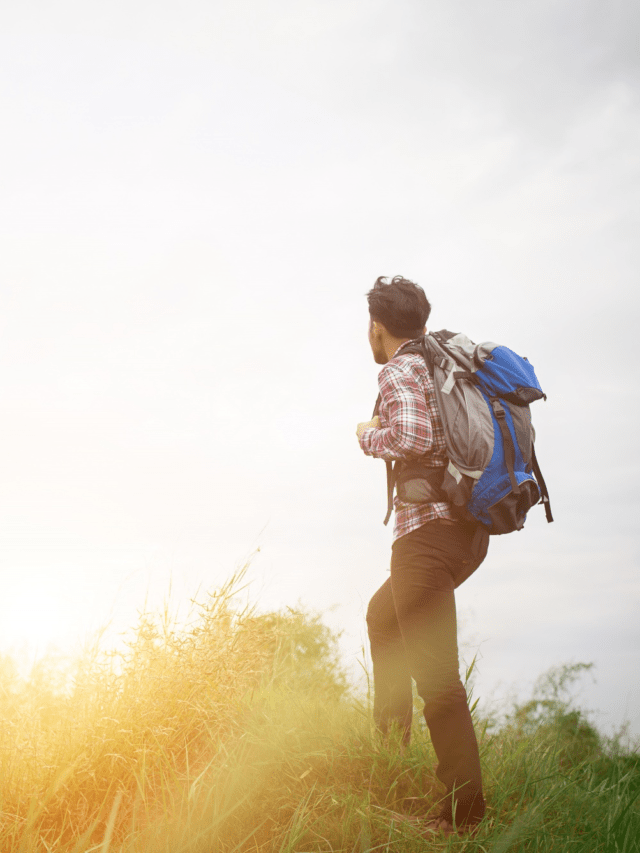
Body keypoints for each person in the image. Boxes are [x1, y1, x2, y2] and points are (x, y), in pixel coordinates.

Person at [356, 275, 487, 835]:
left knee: (438, 680)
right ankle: (389, 749)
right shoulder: (442, 364)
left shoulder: (400, 369)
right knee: (383, 617)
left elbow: (406, 438)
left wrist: (367, 434)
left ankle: (464, 814)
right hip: (466, 533)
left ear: (378, 328)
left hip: (426, 539)